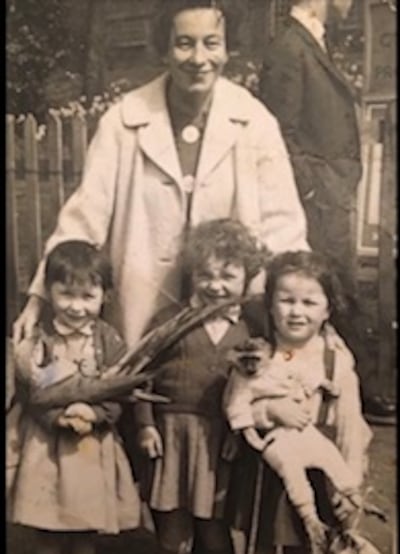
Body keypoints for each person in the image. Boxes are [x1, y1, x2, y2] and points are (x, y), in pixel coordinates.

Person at [13, 0, 308, 351]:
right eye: (184, 43)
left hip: (227, 316)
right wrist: (39, 299)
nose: (199, 59)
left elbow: (283, 226)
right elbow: (84, 217)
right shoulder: (124, 121)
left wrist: (298, 305)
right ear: (164, 50)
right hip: (144, 305)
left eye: (211, 43)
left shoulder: (254, 122)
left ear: (227, 49)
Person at [228, 251, 372, 554]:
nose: (296, 311)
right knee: (259, 551)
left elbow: (350, 428)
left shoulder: (336, 360)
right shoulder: (257, 353)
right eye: (286, 300)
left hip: (317, 472)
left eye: (309, 302)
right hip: (267, 469)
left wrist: (350, 486)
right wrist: (267, 410)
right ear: (270, 304)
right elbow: (234, 403)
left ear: (328, 309)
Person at [258, 0, 395, 422]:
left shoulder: (311, 41)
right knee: (334, 287)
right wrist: (314, 191)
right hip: (315, 200)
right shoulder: (289, 47)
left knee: (336, 285)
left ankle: (349, 386)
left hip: (331, 194)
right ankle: (363, 391)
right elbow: (281, 133)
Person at [134, 219, 267, 554]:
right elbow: (139, 378)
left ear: (246, 277)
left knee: (214, 533)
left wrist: (238, 431)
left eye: (228, 275)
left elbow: (256, 389)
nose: (215, 285)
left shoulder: (250, 331)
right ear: (192, 274)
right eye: (206, 274)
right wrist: (146, 423)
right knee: (173, 535)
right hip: (173, 437)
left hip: (219, 444)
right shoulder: (170, 320)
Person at [7, 241, 141, 554]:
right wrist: (58, 418)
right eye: (66, 294)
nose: (77, 306)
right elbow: (32, 394)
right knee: (48, 529)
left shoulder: (109, 340)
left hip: (89, 450)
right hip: (47, 450)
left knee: (83, 529)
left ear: (104, 295)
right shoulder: (39, 341)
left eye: (88, 296)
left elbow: (121, 395)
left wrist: (97, 417)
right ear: (48, 292)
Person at [223, 335, 362, 554]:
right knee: (291, 471)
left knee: (329, 455)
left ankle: (353, 494)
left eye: (255, 360)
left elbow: (301, 375)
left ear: (267, 357)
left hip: (304, 430)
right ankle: (310, 517)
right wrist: (253, 438)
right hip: (276, 437)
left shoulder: (279, 365)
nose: (250, 366)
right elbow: (236, 408)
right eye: (245, 360)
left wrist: (323, 384)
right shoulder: (241, 379)